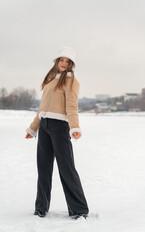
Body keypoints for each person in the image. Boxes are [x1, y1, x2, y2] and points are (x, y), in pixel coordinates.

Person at [25, 47, 89, 220]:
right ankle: (41, 209)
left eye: (68, 61)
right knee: (43, 169)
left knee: (66, 169)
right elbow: (42, 108)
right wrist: (34, 127)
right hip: (45, 126)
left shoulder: (71, 81)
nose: (64, 63)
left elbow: (72, 106)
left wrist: (74, 127)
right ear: (57, 61)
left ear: (71, 64)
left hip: (60, 127)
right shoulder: (51, 79)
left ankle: (79, 210)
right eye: (61, 60)